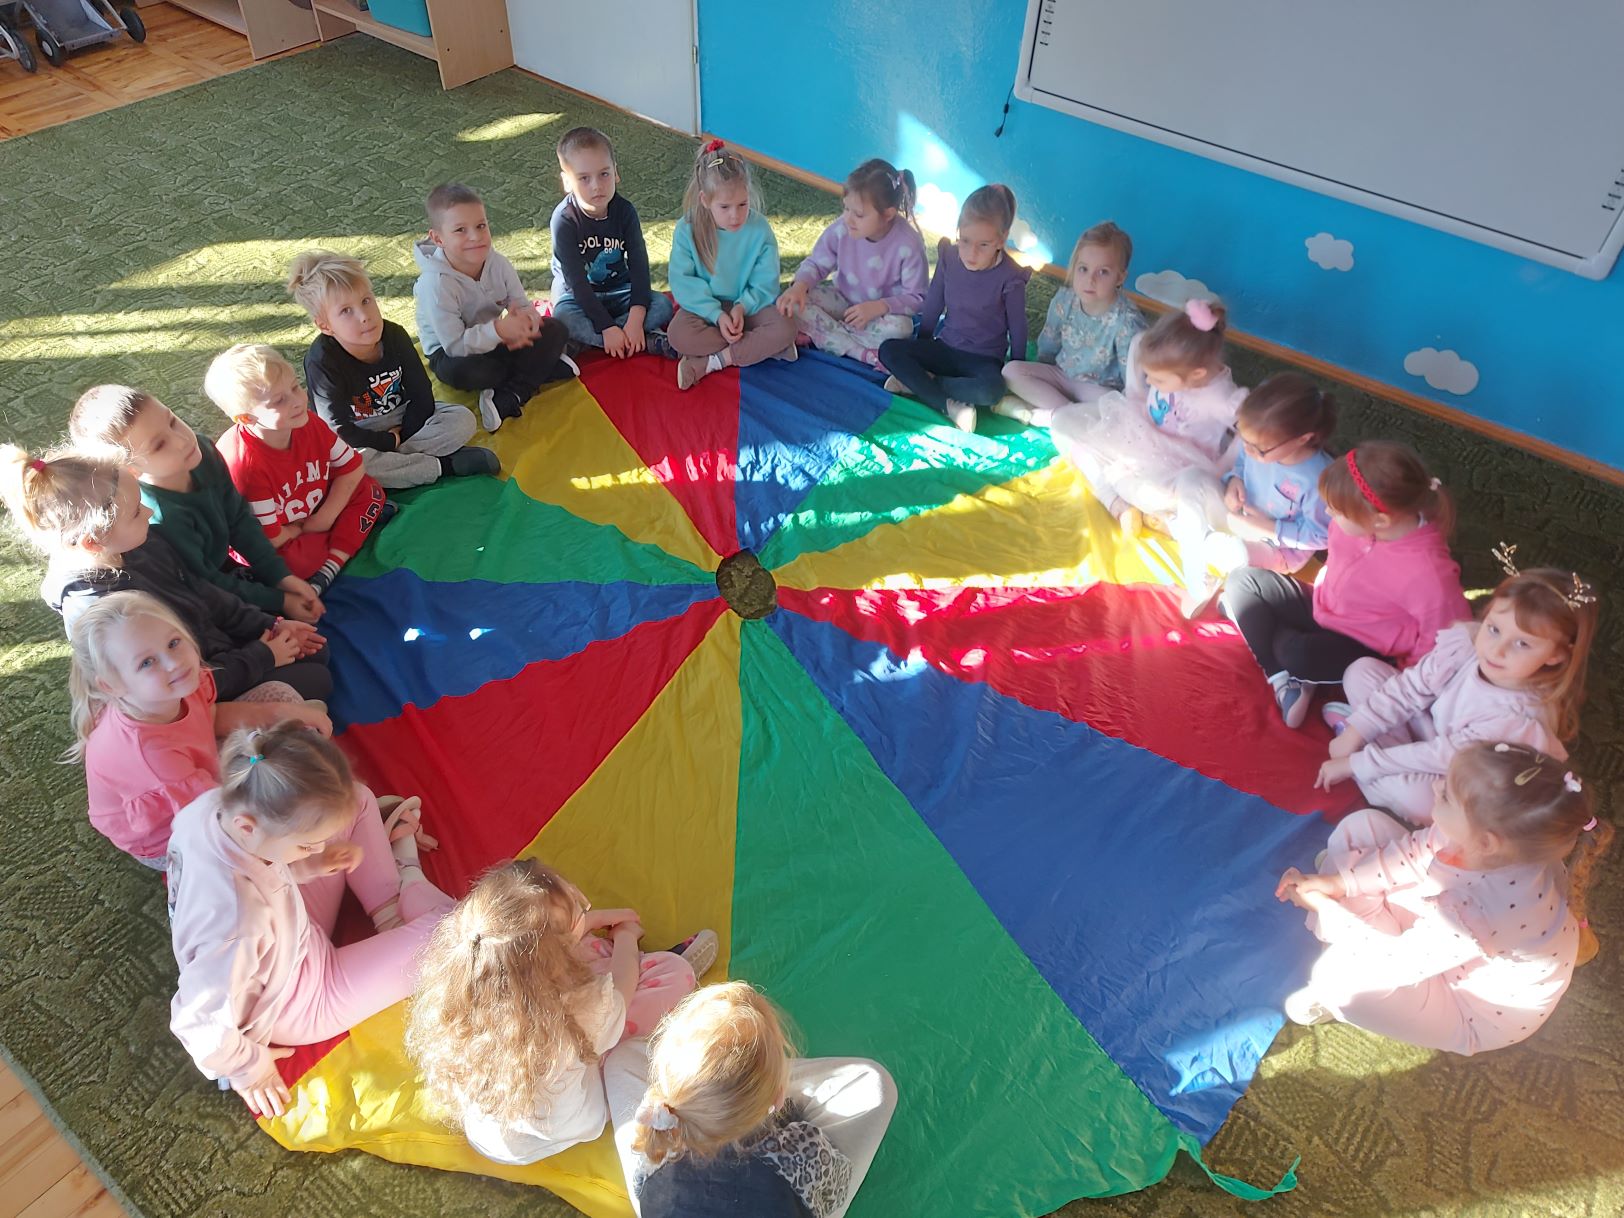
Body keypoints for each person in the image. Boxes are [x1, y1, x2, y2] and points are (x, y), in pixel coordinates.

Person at [168, 722, 453, 1118]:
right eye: (306, 845)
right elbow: (196, 1022)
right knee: (458, 930)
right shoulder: (236, 926)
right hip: (302, 996)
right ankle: (407, 876)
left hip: (288, 924)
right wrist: (249, 1068)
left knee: (357, 799)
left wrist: (312, 863)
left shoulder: (218, 806)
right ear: (248, 826)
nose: (318, 847)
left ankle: (391, 909)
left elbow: (267, 869)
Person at [1276, 742, 1609, 1054]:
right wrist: (1340, 883)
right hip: (1446, 941)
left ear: (1486, 842)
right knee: (1363, 825)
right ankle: (1351, 909)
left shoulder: (1479, 912)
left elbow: (1397, 962)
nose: (1436, 787)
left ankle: (1331, 991)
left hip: (1471, 1008)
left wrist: (1325, 906)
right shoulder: (1495, 843)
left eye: (1447, 795)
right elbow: (1413, 852)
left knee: (1336, 981)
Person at [405, 859, 715, 1166]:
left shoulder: (467, 972)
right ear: (549, 951)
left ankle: (591, 951)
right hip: (576, 1117)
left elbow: (523, 948)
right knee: (670, 975)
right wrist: (626, 937)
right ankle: (655, 966)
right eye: (578, 912)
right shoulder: (573, 1015)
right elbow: (623, 984)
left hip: (491, 1136)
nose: (585, 914)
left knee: (584, 955)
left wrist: (587, 922)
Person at [5, 445, 329, 702]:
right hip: (197, 687)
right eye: (136, 511)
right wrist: (261, 656)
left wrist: (269, 625)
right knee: (317, 679)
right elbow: (176, 687)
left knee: (317, 652)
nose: (148, 512)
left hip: (217, 650)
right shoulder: (103, 614)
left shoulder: (139, 542)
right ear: (93, 542)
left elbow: (203, 593)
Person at [1316, 554, 1595, 823]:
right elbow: (1411, 688)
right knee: (1361, 671)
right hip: (1433, 735)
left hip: (1459, 774)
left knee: (1418, 801)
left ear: (1555, 655)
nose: (1496, 650)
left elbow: (1443, 756)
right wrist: (1356, 732)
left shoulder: (1517, 718)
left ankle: (1371, 765)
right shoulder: (1466, 644)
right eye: (1494, 629)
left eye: (1522, 644)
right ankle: (1369, 748)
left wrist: (1355, 764)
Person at [66, 592, 329, 869]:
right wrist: (301, 847)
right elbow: (220, 821)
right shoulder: (152, 757)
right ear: (112, 686)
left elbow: (210, 716)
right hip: (172, 832)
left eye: (173, 643)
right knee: (257, 854)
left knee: (279, 695)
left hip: (197, 773)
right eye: (146, 662)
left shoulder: (179, 684)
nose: (174, 662)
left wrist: (279, 713)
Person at [1220, 441, 1471, 728]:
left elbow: (1443, 643)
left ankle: (1276, 647)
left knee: (1296, 653)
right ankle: (1282, 679)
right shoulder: (1354, 520)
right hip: (1322, 607)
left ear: (1380, 520)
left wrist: (1397, 686)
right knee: (1242, 581)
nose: (1329, 513)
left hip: (1363, 645)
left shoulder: (1429, 574)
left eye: (1337, 510)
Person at [604, 982, 898, 1218]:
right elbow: (834, 1186)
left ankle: (739, 1085)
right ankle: (755, 1083)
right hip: (779, 1190)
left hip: (669, 1204)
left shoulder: (653, 1146)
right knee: (875, 1082)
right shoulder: (795, 1155)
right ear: (779, 1098)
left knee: (622, 1059)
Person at [69, 384, 324, 623]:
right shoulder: (159, 517)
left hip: (219, 567)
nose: (182, 439)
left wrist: (281, 577)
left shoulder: (202, 449)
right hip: (200, 593)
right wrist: (280, 600)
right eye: (159, 445)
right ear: (131, 470)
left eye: (172, 421)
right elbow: (207, 584)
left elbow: (238, 519)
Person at [288, 249, 497, 481]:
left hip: (401, 417)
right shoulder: (321, 361)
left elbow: (421, 393)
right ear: (325, 326)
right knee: (343, 460)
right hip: (358, 430)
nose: (364, 316)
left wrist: (401, 436)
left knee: (462, 420)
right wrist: (386, 441)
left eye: (366, 301)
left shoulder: (394, 335)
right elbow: (338, 429)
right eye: (346, 311)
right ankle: (443, 466)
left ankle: (395, 467)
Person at [1050, 298, 1246, 536]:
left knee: (1147, 492)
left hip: (1177, 463)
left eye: (1159, 380)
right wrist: (1136, 393)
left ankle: (1121, 502)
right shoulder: (1165, 359)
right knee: (1061, 422)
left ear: (1196, 374)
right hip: (1138, 429)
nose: (1151, 382)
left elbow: (1249, 429)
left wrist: (1222, 467)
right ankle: (1120, 502)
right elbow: (1139, 342)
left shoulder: (1219, 397)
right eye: (1149, 375)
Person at [207, 343, 389, 596]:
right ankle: (344, 540)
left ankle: (330, 565)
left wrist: (325, 518)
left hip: (308, 514)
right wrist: (303, 528)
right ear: (247, 418)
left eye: (295, 386)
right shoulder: (246, 465)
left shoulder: (307, 421)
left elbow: (352, 467)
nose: (297, 401)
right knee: (293, 564)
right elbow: (270, 538)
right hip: (275, 536)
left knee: (371, 490)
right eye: (279, 400)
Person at [413, 183, 576, 432]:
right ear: (438, 239)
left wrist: (527, 323)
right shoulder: (435, 285)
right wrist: (500, 330)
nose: (475, 237)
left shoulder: (498, 263)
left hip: (497, 338)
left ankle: (511, 392)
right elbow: (455, 345)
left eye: (481, 226)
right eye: (460, 230)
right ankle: (534, 374)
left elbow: (523, 305)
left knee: (556, 329)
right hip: (451, 353)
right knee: (477, 372)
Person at [1171, 372, 1336, 617]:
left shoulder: (1319, 479)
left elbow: (1321, 536)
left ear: (1303, 439)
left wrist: (1269, 527)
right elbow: (1241, 462)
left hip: (1276, 549)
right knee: (1190, 478)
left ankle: (1198, 550)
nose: (1248, 450)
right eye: (1244, 440)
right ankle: (1198, 565)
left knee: (1228, 551)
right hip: (1239, 517)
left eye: (1258, 449)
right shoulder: (1258, 442)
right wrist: (1234, 480)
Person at [878, 184, 1030, 432]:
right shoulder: (950, 256)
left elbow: (1018, 328)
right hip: (945, 349)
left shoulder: (1011, 277)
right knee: (888, 350)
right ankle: (947, 404)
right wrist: (922, 347)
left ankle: (920, 384)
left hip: (983, 360)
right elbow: (934, 302)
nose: (971, 253)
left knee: (991, 390)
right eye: (965, 240)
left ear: (1001, 240)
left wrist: (1018, 373)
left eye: (983, 245)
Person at [667, 139, 797, 390]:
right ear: (705, 200)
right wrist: (716, 315)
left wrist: (741, 307)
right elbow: (684, 283)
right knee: (678, 335)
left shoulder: (759, 229)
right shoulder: (687, 229)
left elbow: (765, 280)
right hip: (706, 311)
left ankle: (713, 362)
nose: (735, 215)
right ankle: (763, 348)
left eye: (742, 204)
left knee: (786, 327)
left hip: (748, 309)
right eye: (725, 207)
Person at [774, 158, 928, 369]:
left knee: (902, 329)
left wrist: (879, 307)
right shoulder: (841, 229)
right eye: (846, 208)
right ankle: (862, 352)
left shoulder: (909, 244)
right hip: (842, 301)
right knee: (794, 303)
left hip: (879, 316)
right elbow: (817, 263)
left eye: (859, 214)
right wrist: (799, 286)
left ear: (888, 214)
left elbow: (918, 298)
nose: (848, 219)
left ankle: (824, 336)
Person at [999, 221, 1146, 424]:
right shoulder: (1064, 301)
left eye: (1103, 272)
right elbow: (1049, 344)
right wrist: (1041, 378)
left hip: (1098, 389)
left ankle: (1056, 413)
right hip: (1061, 376)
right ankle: (1068, 413)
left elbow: (1132, 379)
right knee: (1010, 372)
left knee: (1120, 411)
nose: (1090, 280)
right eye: (1083, 269)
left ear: (1120, 277)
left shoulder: (1127, 321)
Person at [549, 127, 676, 360]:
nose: (596, 186)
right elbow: (576, 283)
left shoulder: (625, 212)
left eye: (604, 174)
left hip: (619, 290)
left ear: (616, 172)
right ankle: (635, 340)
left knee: (663, 306)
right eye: (584, 178)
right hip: (577, 296)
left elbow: (639, 266)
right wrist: (607, 328)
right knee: (563, 318)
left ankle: (590, 342)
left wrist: (635, 320)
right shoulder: (563, 221)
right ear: (567, 182)